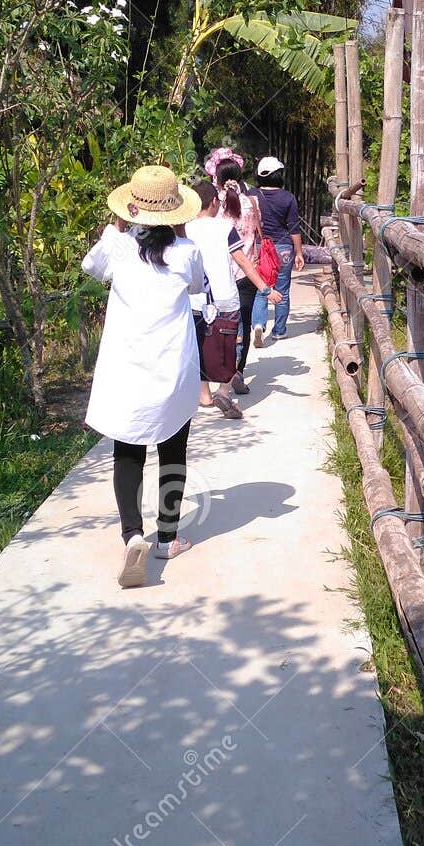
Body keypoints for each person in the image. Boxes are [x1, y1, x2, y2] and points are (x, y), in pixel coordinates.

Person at [81, 164, 204, 588]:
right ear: (175, 212)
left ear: (132, 209)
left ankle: (133, 535)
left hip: (128, 373)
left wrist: (117, 226)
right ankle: (167, 537)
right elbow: (196, 286)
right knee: (173, 451)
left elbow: (90, 266)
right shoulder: (186, 253)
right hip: (172, 371)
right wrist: (180, 233)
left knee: (127, 454)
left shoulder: (116, 246)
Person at [186, 179, 281, 418]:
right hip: (225, 298)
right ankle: (224, 390)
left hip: (195, 299)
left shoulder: (184, 229)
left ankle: (204, 395)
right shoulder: (224, 227)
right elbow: (243, 262)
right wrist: (266, 289)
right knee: (228, 348)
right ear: (213, 202)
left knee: (199, 347)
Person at [206, 148, 262, 394]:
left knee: (220, 326)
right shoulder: (251, 202)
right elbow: (259, 232)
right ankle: (237, 372)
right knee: (244, 325)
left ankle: (218, 377)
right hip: (247, 272)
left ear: (216, 178)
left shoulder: (213, 208)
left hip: (219, 274)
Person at [249, 156, 303, 345]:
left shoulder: (251, 195)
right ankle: (279, 330)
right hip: (283, 248)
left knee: (261, 288)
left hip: (259, 246)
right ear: (278, 175)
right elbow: (293, 228)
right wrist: (299, 252)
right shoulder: (287, 197)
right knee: (283, 290)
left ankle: (258, 324)